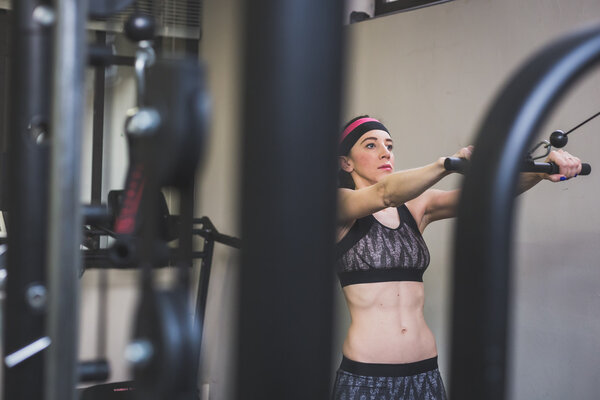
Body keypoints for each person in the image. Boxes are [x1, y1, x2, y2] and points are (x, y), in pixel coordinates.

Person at [332, 116, 582, 400]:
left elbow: (483, 196)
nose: (385, 152)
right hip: (367, 375)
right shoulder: (339, 204)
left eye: (389, 145)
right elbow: (384, 194)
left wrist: (541, 172)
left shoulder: (415, 208)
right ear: (346, 163)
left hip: (424, 372)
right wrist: (447, 163)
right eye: (370, 145)